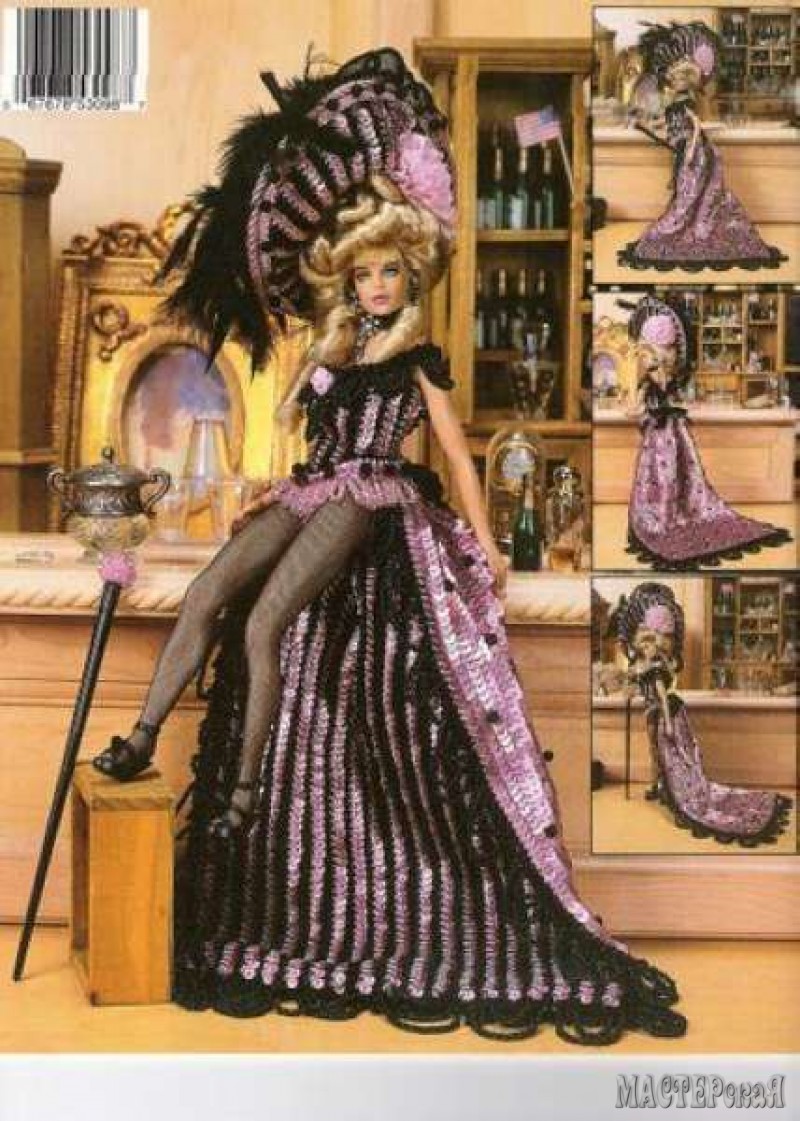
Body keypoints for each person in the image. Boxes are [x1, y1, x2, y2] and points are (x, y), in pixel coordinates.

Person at [92, 47, 686, 1044]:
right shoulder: (331, 353)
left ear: (409, 273)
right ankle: (142, 737)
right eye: (362, 272)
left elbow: (454, 454)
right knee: (209, 590)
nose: (374, 285)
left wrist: (488, 545)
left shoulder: (417, 358)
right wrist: (264, 483)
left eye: (387, 272)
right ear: (347, 277)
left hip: (371, 493)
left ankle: (241, 794)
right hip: (314, 483)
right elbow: (295, 446)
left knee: (267, 620)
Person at [623, 294, 792, 568]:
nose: (655, 358)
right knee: (676, 474)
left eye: (652, 352)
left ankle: (663, 517)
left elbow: (635, 409)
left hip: (663, 433)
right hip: (672, 431)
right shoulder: (667, 374)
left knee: (667, 475)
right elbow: (640, 407)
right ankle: (669, 515)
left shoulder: (651, 375)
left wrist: (640, 398)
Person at [617, 583, 792, 846]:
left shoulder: (654, 669)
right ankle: (658, 785)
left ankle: (666, 787)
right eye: (647, 639)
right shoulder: (646, 666)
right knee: (657, 752)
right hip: (657, 712)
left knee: (667, 755)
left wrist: (667, 722)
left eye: (655, 639)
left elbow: (661, 696)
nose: (651, 644)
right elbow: (634, 684)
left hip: (663, 714)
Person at [618, 20, 787, 271]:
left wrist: (689, 146)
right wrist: (656, 127)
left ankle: (695, 225)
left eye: (682, 78)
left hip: (695, 151)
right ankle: (688, 225)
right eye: (677, 77)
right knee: (691, 189)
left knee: (695, 188)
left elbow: (693, 127)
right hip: (690, 150)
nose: (679, 82)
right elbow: (673, 125)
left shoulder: (682, 104)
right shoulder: (673, 103)